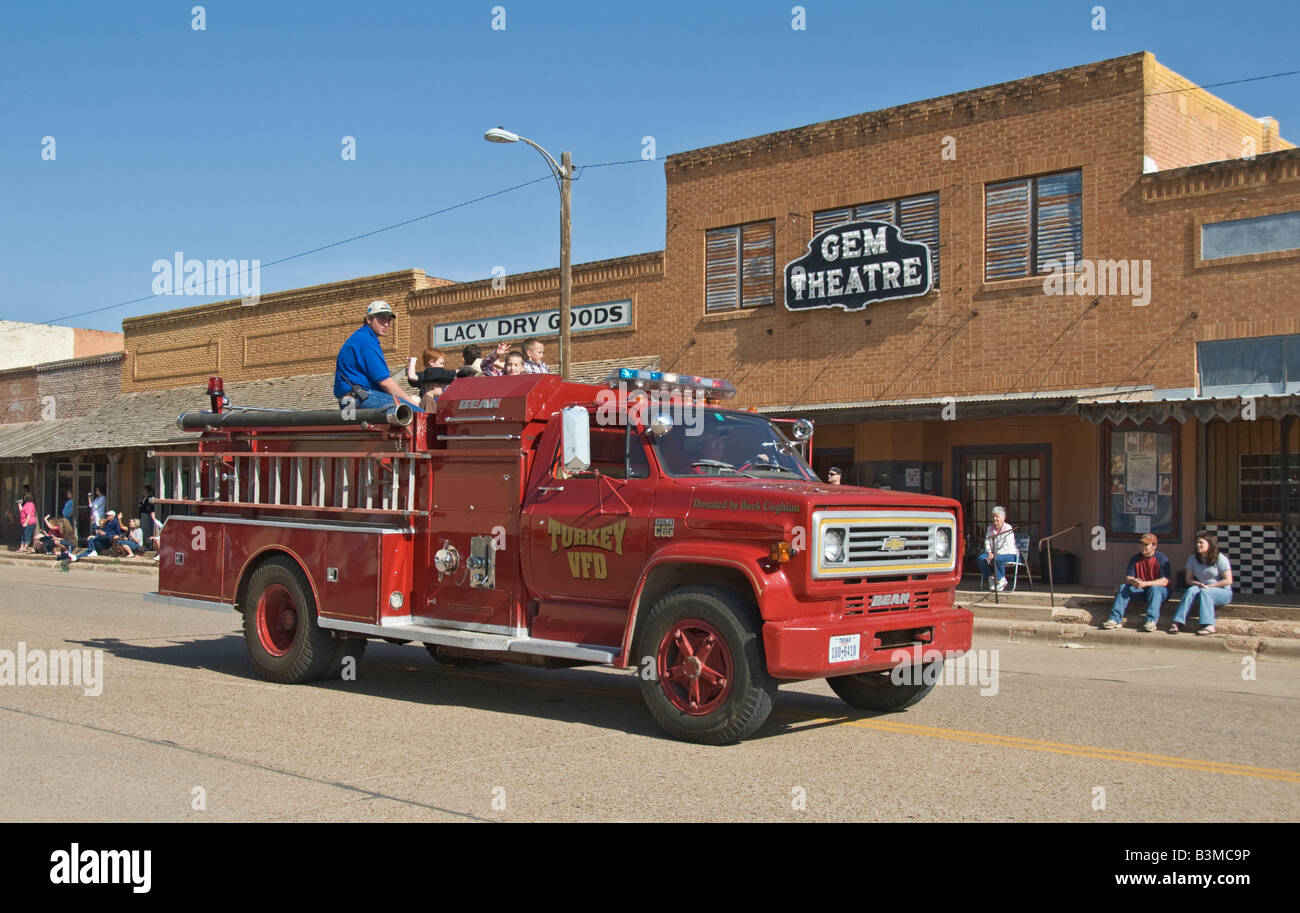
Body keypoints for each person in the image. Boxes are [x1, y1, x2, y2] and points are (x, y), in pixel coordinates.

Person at [333, 300, 423, 412]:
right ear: (369, 319)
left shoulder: (360, 337)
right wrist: (412, 402)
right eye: (382, 319)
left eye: (388, 320)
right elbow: (385, 382)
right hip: (357, 397)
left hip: (349, 400)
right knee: (417, 414)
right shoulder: (367, 341)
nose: (386, 324)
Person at [1101, 533, 1171, 632]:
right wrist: (1134, 581)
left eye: (1146, 545)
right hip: (1141, 590)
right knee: (1123, 587)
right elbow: (1128, 577)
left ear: (1154, 546)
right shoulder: (1135, 558)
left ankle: (1151, 621)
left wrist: (1145, 583)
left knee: (1155, 589)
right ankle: (1114, 619)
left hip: (1159, 592)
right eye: (1141, 544)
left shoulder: (1162, 558)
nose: (1143, 547)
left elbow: (1165, 581)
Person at [1171, 531, 1233, 635]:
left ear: (1210, 544)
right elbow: (1188, 579)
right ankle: (1178, 621)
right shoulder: (1192, 558)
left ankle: (1209, 625)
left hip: (1222, 592)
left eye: (1201, 543)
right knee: (1191, 590)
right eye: (1197, 542)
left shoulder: (1220, 558)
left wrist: (1210, 586)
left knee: (1206, 592)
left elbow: (1228, 580)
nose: (1198, 545)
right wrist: (1197, 584)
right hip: (1202, 588)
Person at [977, 506, 1017, 591]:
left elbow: (1008, 546)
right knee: (981, 559)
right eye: (994, 516)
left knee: (997, 558)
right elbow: (987, 542)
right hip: (994, 554)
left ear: (1003, 518)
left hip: (1009, 554)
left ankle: (1001, 580)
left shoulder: (1008, 528)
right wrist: (989, 552)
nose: (995, 518)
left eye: (997, 516)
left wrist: (995, 555)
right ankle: (991, 578)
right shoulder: (990, 529)